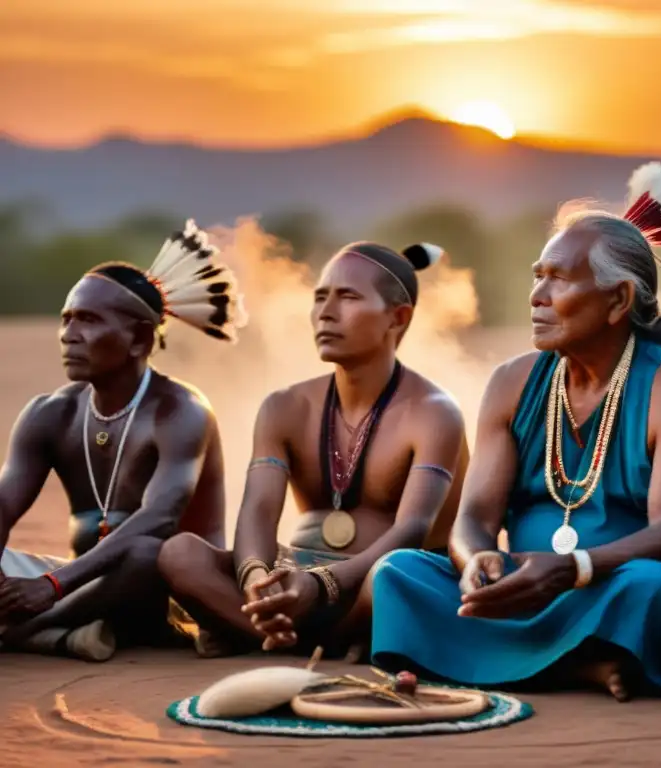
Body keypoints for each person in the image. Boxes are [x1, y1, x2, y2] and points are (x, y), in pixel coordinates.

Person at [370, 142, 661, 700]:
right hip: (517, 583)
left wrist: (568, 569)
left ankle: (509, 659)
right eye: (536, 276)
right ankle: (579, 668)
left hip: (608, 587)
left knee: (653, 593)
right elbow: (474, 517)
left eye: (558, 280)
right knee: (399, 573)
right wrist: (477, 560)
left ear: (619, 300)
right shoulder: (513, 382)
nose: (537, 296)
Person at [158, 241, 468, 658]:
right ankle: (300, 636)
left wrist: (323, 584)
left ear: (398, 317)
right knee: (180, 554)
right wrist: (256, 580)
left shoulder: (434, 413)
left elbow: (410, 532)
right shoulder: (284, 406)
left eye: (348, 297)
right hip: (296, 574)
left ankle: (258, 633)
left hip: (374, 583)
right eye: (320, 297)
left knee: (393, 576)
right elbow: (259, 512)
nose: (326, 312)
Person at [0, 219, 246, 661]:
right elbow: (3, 504)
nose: (68, 334)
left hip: (161, 591)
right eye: (66, 319)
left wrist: (50, 588)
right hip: (77, 584)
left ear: (139, 339)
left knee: (149, 554)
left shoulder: (181, 411)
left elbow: (159, 518)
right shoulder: (49, 413)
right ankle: (65, 631)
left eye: (88, 320)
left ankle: (29, 632)